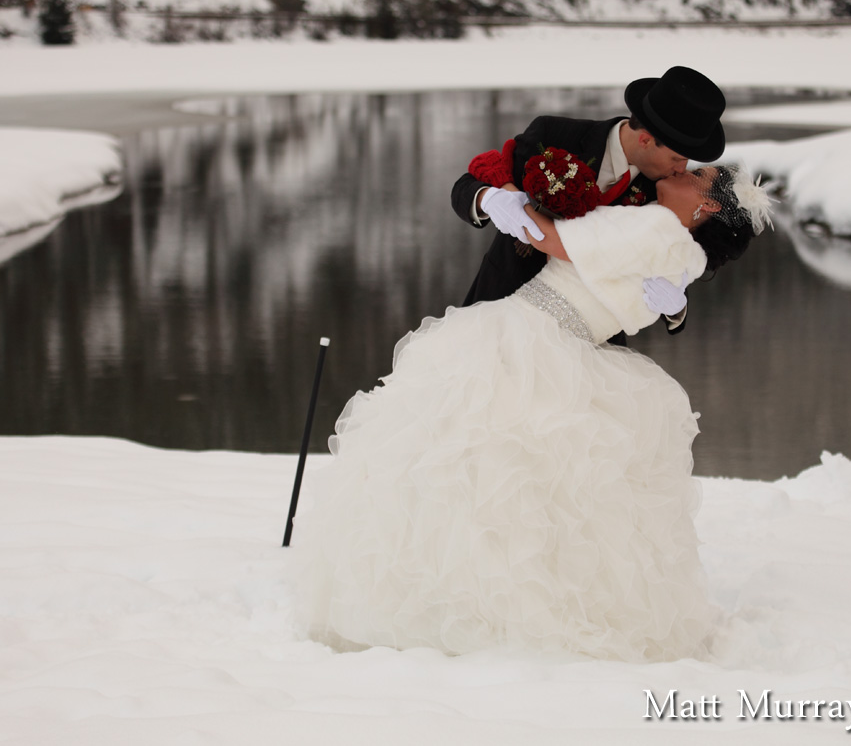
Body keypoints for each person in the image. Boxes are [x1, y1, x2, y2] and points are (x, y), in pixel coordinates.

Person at [292, 163, 771, 663]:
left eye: (699, 174)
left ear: (709, 204)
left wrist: (514, 205)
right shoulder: (685, 259)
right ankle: (522, 608)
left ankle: (442, 602)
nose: (685, 167)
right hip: (575, 354)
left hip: (525, 337)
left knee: (462, 464)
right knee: (539, 488)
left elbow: (557, 242)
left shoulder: (651, 226)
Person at [450, 66, 729, 336]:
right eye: (678, 158)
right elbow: (465, 186)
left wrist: (676, 308)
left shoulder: (666, 190)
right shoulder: (555, 135)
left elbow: (668, 261)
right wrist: (486, 199)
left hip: (589, 347)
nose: (682, 169)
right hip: (498, 305)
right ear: (645, 140)